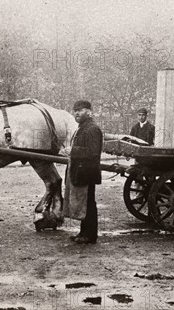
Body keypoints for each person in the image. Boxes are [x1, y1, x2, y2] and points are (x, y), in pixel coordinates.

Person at [64, 100, 103, 244]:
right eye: (75, 111)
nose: (76, 113)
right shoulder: (83, 127)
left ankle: (90, 235)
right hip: (82, 171)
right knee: (85, 203)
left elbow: (93, 153)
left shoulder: (92, 129)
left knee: (89, 204)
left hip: (87, 172)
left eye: (80, 110)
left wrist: (72, 151)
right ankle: (84, 232)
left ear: (89, 112)